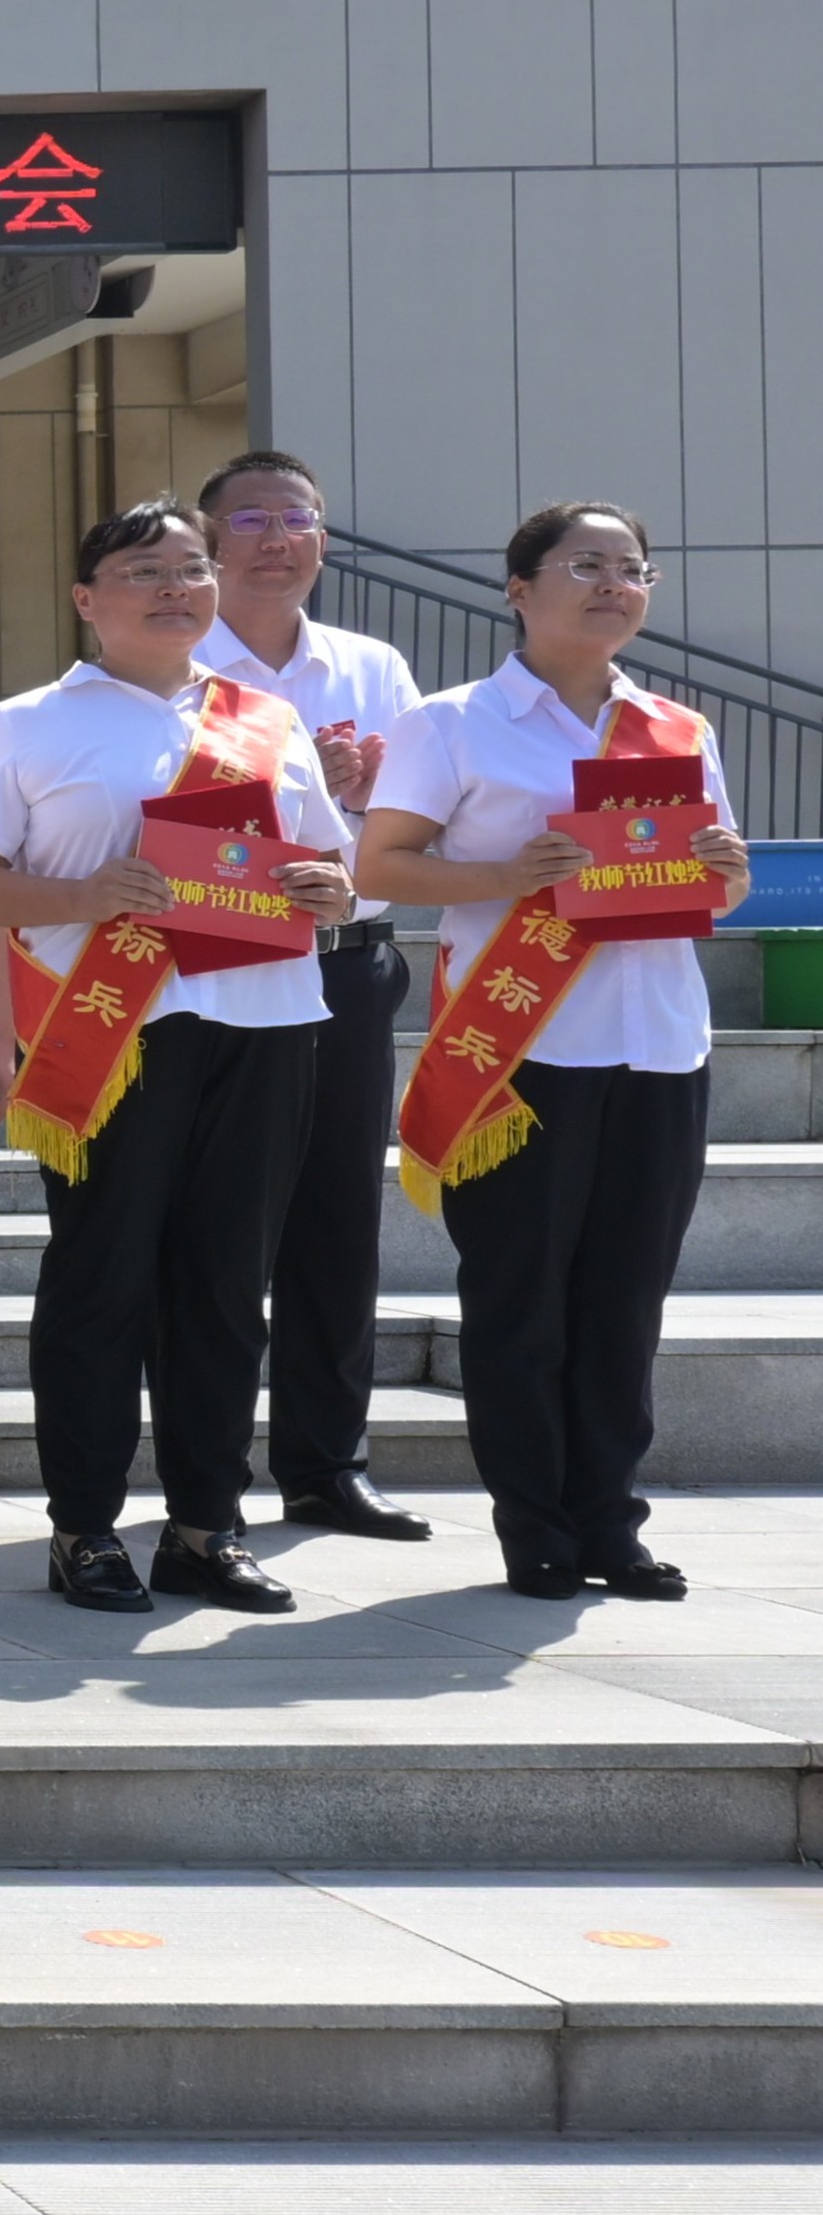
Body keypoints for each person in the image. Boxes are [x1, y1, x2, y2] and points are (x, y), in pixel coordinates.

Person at [0, 500, 358, 1616]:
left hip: (264, 1023)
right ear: (88, 599)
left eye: (191, 569)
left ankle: (205, 1526)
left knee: (226, 1285)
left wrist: (329, 891)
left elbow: (330, 866)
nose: (176, 588)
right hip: (112, 1034)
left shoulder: (266, 718)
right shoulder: (30, 722)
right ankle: (84, 1526)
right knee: (103, 1277)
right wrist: (83, 895)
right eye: (144, 571)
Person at [359, 501, 747, 1601]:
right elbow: (380, 866)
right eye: (587, 564)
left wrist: (725, 870)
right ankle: (534, 1525)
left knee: (627, 1298)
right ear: (519, 588)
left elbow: (718, 886)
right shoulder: (453, 723)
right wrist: (508, 877)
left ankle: (610, 1524)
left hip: (658, 1046)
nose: (615, 584)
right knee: (520, 1297)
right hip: (518, 1053)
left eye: (634, 569)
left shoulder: (676, 727)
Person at [194, 448, 436, 1542]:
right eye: (252, 519)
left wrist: (369, 799)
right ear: (209, 541)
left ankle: (328, 1463)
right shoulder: (172, 661)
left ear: (325, 544)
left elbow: (424, 818)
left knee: (337, 1221)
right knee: (219, 1226)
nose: (277, 539)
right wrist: (307, 801)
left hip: (344, 963)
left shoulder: (371, 666)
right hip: (212, 968)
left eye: (297, 519)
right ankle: (204, 1477)